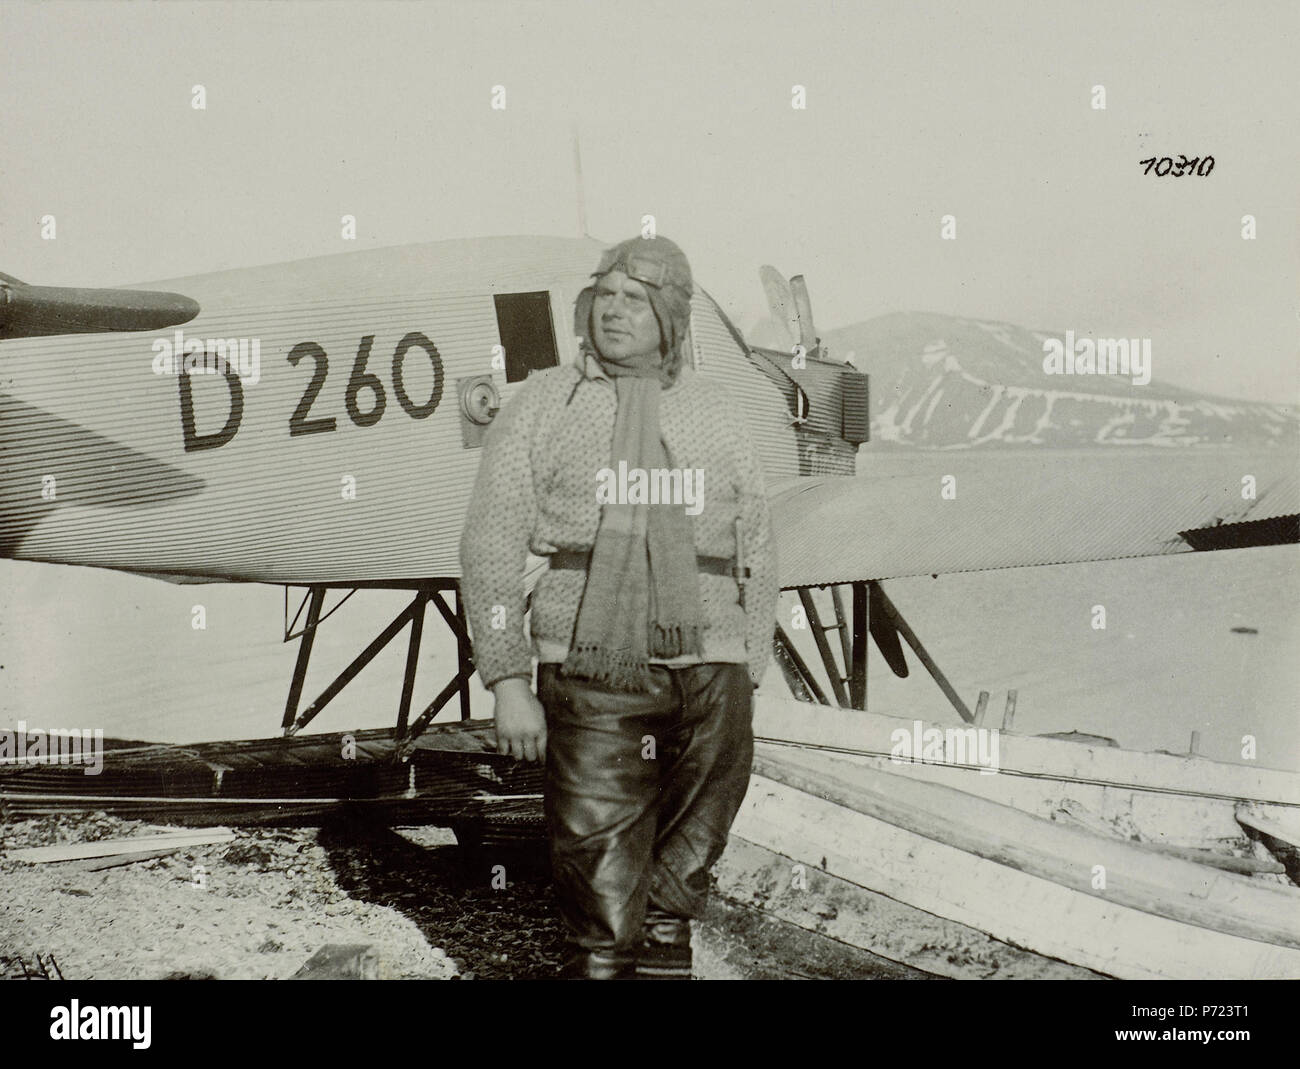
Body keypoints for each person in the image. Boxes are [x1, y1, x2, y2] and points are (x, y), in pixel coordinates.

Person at [459, 234, 779, 979]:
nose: (615, 311)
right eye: (605, 295)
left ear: (671, 317)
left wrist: (748, 666)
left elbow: (758, 537)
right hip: (593, 671)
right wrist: (507, 678)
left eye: (636, 299)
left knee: (677, 894)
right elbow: (491, 544)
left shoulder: (718, 411)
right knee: (601, 906)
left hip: (711, 672)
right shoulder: (542, 402)